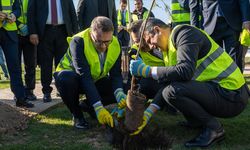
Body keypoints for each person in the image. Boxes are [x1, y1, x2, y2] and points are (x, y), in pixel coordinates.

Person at [129, 18, 249, 148]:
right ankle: (196, 121)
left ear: (157, 30)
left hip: (232, 94)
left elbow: (185, 71)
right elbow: (167, 84)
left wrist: (147, 70)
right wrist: (149, 113)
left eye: (149, 41)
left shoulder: (185, 34)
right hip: (220, 90)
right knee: (170, 89)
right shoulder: (168, 50)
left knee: (173, 91)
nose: (151, 46)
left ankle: (215, 129)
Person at [54, 16, 126, 129]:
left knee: (124, 88)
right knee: (66, 79)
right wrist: (99, 107)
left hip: (94, 79)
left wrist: (119, 93)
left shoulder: (116, 43)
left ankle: (88, 106)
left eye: (107, 42)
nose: (103, 46)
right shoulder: (78, 41)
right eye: (98, 41)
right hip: (74, 79)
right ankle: (77, 115)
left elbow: (116, 74)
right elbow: (84, 76)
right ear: (91, 32)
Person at [28, 0, 78, 103]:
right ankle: (46, 91)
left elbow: (72, 12)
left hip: (63, 32)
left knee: (62, 63)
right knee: (46, 63)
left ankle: (62, 89)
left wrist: (75, 33)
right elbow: (31, 13)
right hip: (45, 32)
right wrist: (33, 32)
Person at [190, 0, 250, 71]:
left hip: (232, 23)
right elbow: (194, 4)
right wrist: (194, 27)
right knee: (214, 60)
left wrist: (246, 19)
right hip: (209, 23)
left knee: (234, 59)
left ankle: (237, 81)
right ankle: (216, 82)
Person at [0, 0, 34, 108]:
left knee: (15, 66)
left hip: (10, 31)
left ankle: (20, 98)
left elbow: (18, 9)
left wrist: (14, 15)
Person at [17, 0, 37, 101]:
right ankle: (18, 91)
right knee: (16, 65)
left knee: (30, 64)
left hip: (30, 33)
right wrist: (19, 25)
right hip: (15, 33)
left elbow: (36, 13)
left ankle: (29, 90)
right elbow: (11, 12)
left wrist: (32, 30)